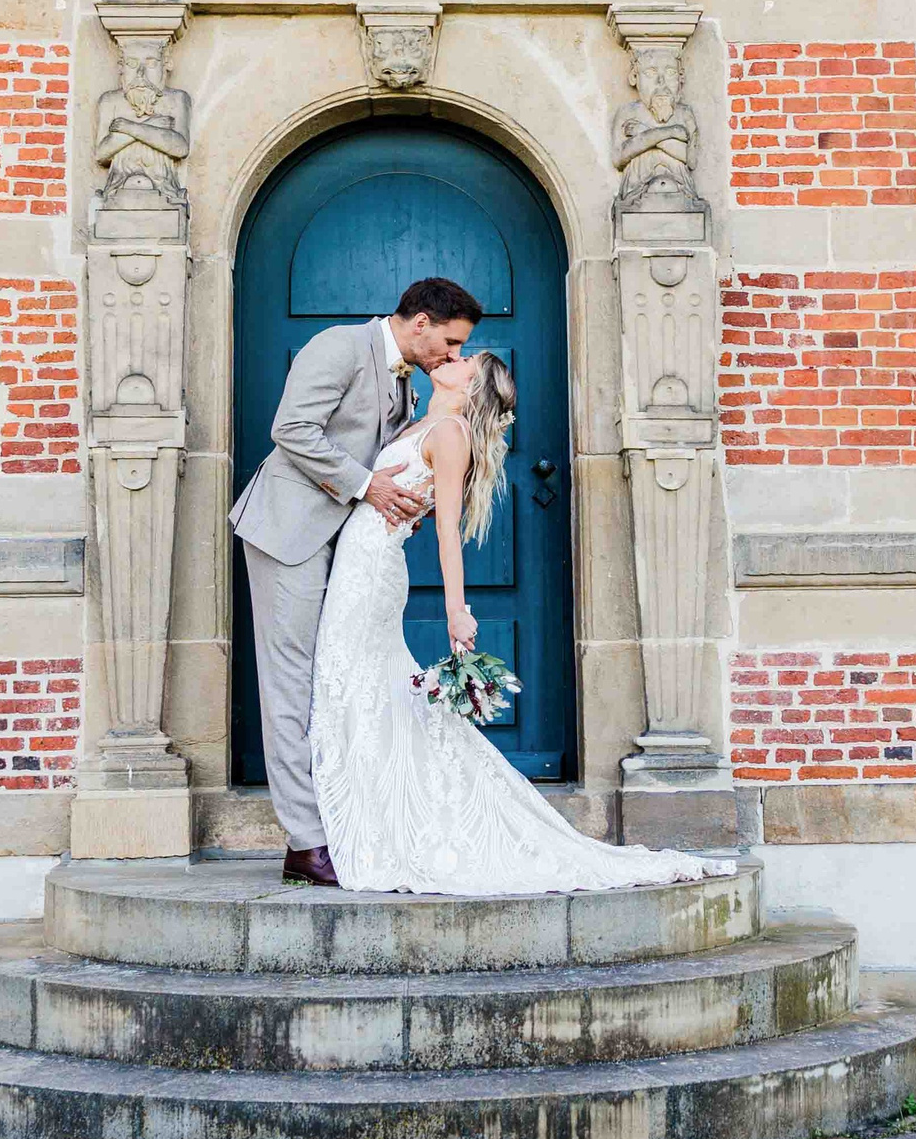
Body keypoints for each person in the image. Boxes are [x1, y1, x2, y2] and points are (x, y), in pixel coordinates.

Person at [309, 349, 736, 894]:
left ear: (471, 388)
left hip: (370, 571)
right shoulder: (423, 418)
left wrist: (456, 611)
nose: (452, 358)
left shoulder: (451, 434)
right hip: (360, 559)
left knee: (360, 682)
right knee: (359, 684)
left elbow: (445, 530)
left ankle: (385, 822)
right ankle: (370, 810)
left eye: (467, 362)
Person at [229, 276, 475, 887]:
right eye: (448, 343)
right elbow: (291, 431)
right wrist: (369, 487)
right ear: (419, 322)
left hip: (341, 545)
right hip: (287, 533)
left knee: (329, 679)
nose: (452, 356)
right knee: (290, 684)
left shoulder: (408, 384)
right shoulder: (339, 347)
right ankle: (305, 843)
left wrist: (394, 505)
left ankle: (337, 820)